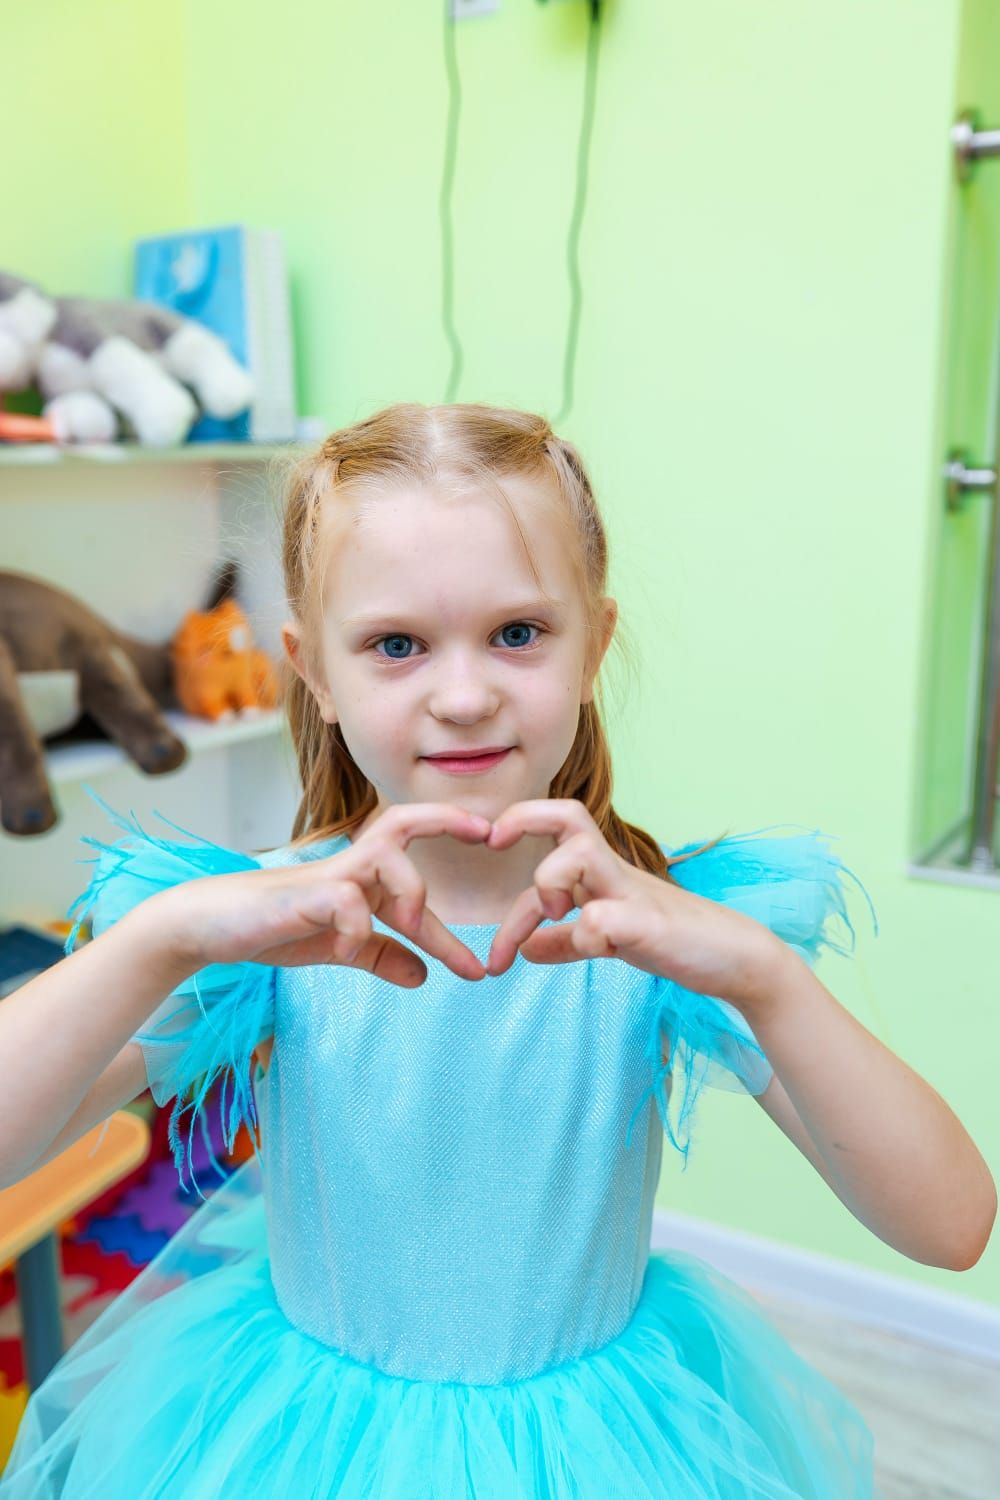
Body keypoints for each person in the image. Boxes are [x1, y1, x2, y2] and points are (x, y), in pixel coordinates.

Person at [0, 403, 994, 1498]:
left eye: (518, 633)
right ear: (312, 671)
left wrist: (766, 977)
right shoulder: (257, 932)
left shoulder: (663, 933)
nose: (465, 697)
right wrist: (163, 937)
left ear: (593, 648)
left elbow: (951, 1228)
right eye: (395, 645)